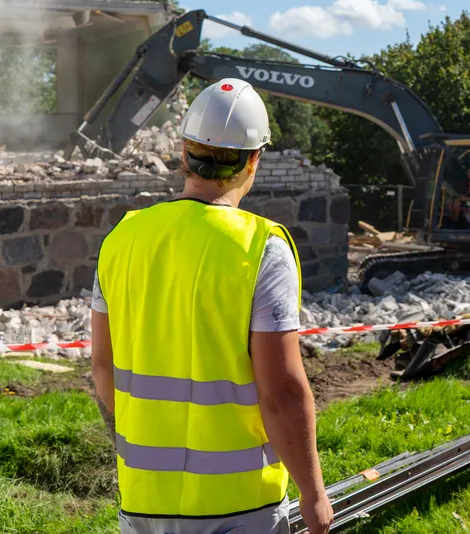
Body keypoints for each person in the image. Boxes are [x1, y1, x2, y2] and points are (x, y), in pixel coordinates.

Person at [90, 79, 334, 534]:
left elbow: (103, 369)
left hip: (144, 503)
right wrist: (314, 494)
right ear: (254, 160)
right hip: (241, 508)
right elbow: (280, 392)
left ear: (184, 154)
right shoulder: (261, 247)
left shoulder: (120, 239)